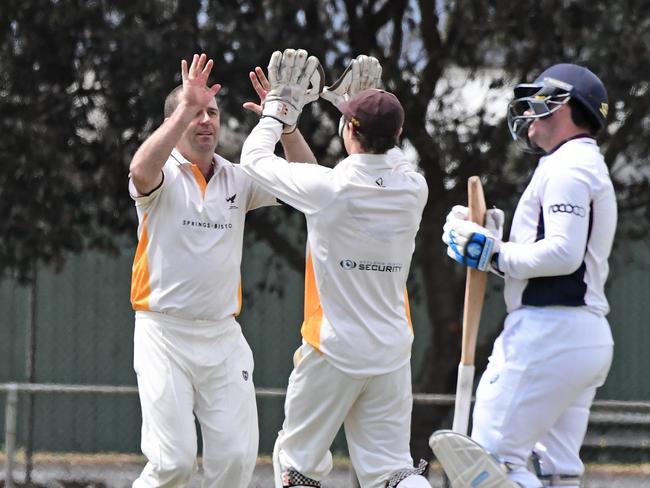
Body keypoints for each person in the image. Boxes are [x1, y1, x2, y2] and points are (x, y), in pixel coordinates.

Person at [239, 48, 431, 488]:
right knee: (393, 470)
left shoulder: (331, 188)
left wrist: (277, 113)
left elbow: (254, 162)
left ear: (347, 129)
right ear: (398, 133)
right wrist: (360, 105)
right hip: (390, 352)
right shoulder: (413, 187)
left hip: (333, 351)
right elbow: (384, 145)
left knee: (297, 465)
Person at [128, 53, 317, 488]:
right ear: (176, 120)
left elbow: (310, 183)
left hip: (222, 337)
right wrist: (184, 107)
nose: (205, 121)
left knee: (234, 462)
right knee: (172, 463)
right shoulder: (162, 176)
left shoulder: (238, 178)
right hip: (163, 334)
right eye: (196, 113)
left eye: (211, 112)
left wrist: (286, 124)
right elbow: (139, 170)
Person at [440, 63, 617, 487]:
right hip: (578, 335)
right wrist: (491, 234)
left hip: (549, 332)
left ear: (565, 105)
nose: (530, 113)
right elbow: (548, 249)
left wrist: (493, 254)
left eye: (540, 100)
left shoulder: (569, 167)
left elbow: (563, 253)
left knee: (487, 463)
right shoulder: (574, 163)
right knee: (555, 471)